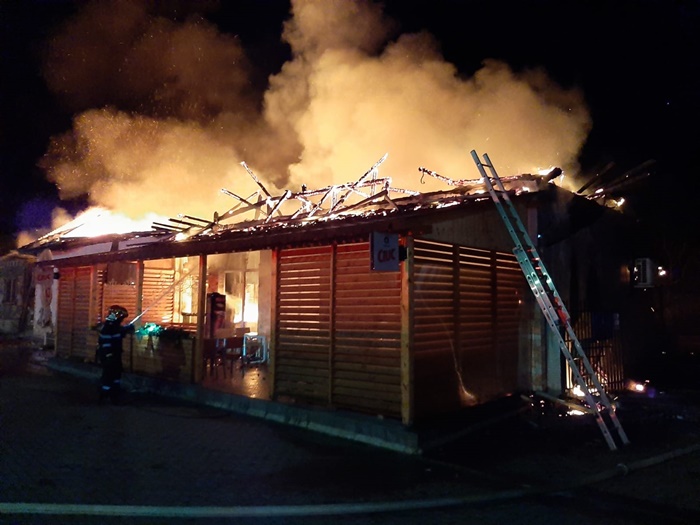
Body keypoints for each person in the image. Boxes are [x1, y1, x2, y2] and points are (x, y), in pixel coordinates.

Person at [96, 305, 134, 404]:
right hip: (109, 356)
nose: (122, 320)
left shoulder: (112, 325)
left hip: (114, 355)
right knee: (109, 375)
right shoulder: (109, 327)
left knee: (116, 374)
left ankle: (114, 393)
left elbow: (119, 332)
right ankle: (105, 394)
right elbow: (108, 342)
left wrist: (127, 328)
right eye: (122, 318)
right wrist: (109, 356)